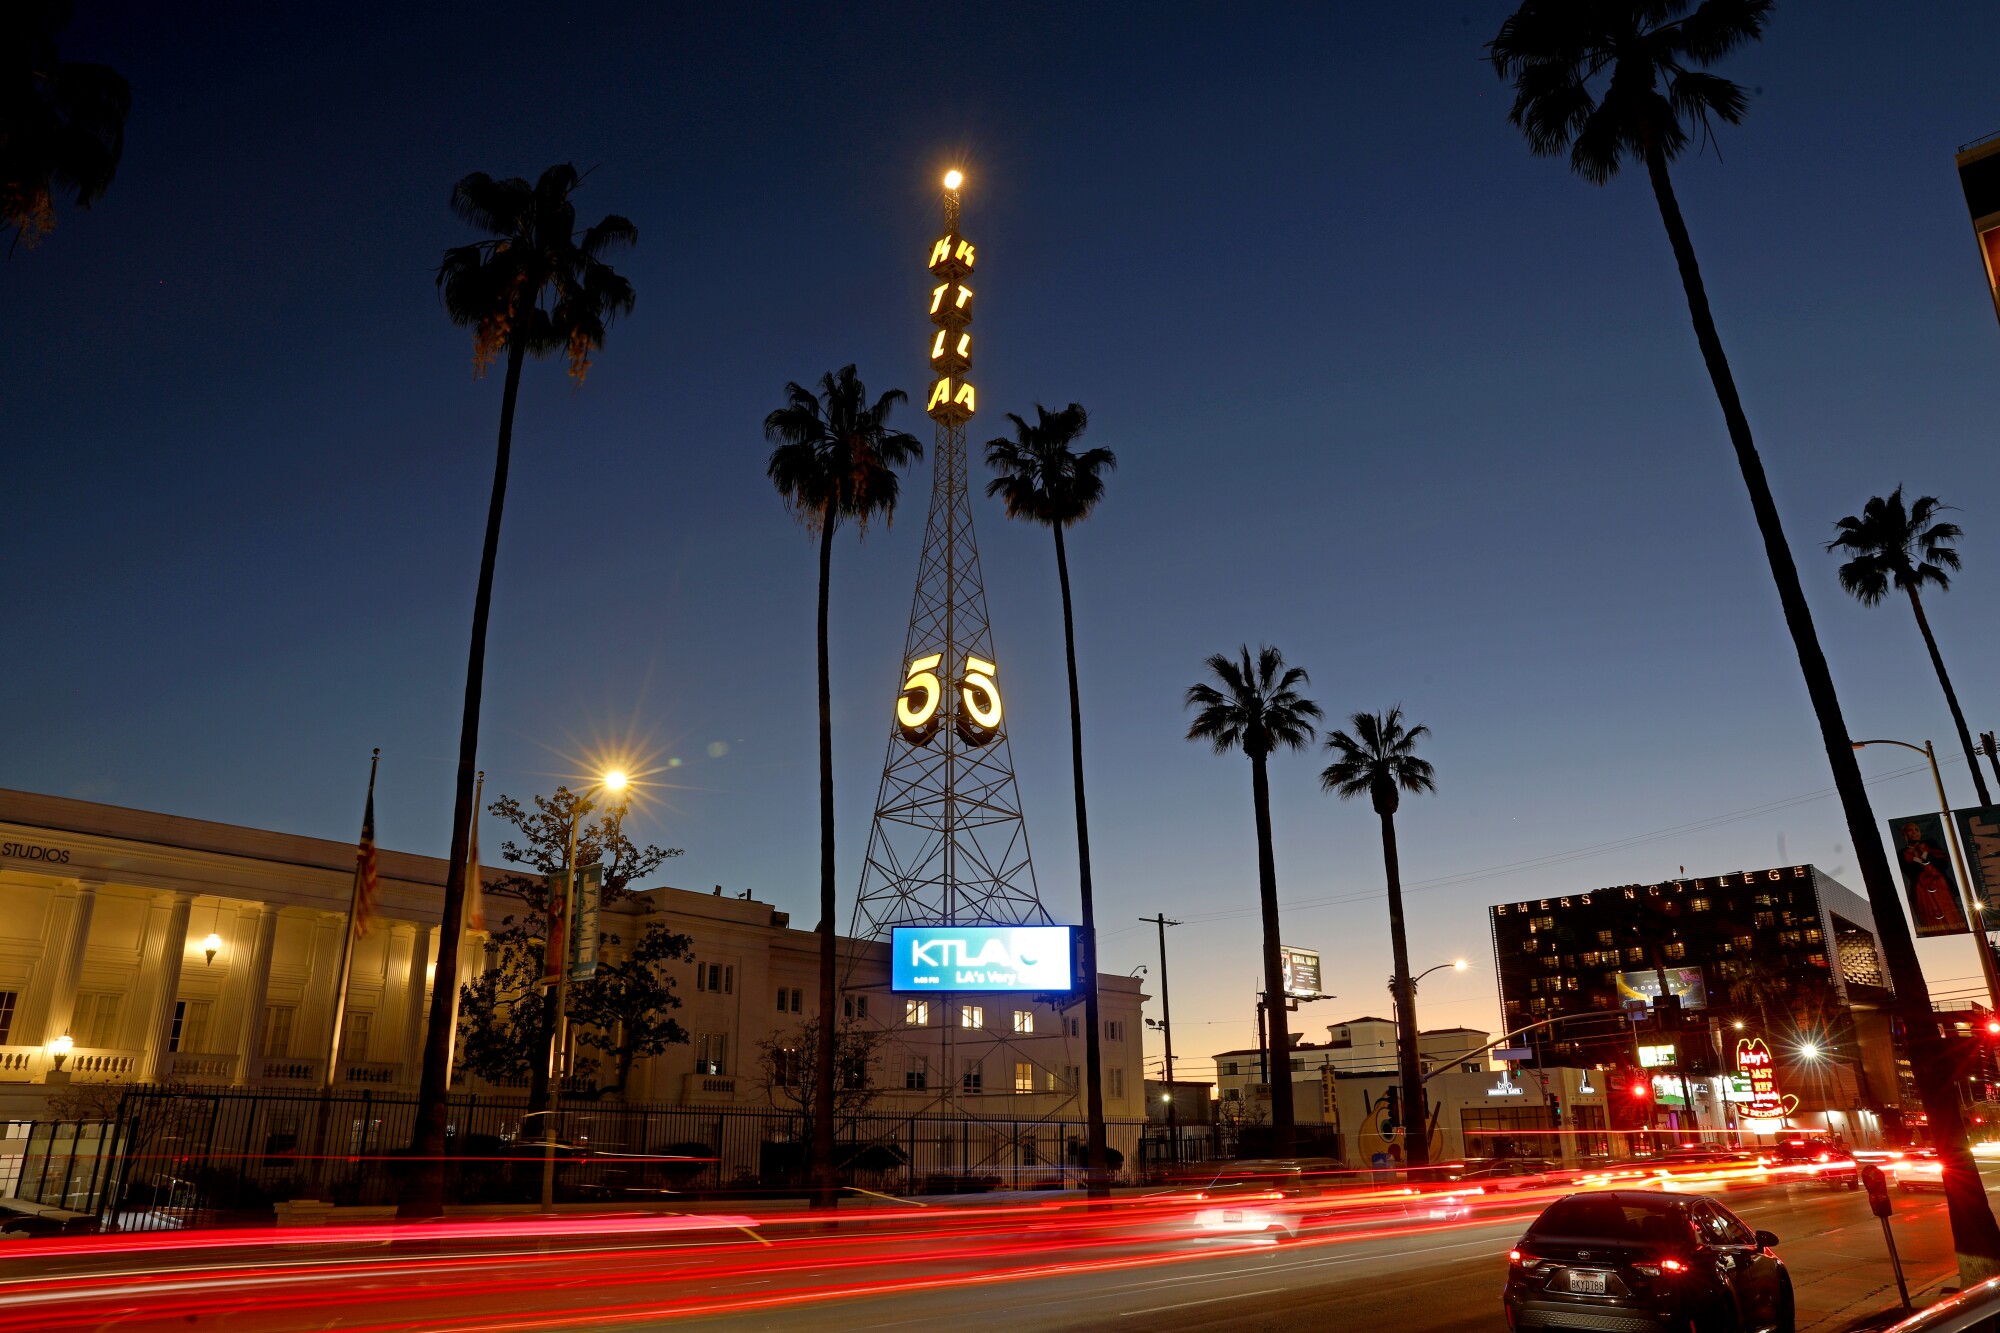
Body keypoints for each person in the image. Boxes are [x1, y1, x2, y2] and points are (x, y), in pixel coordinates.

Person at [1900, 821, 1966, 933]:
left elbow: (1943, 863)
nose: (1914, 832)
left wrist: (1924, 854)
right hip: (1922, 890)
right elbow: (1910, 873)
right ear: (1904, 834)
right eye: (1910, 830)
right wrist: (1916, 858)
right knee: (1930, 917)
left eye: (1916, 829)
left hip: (1941, 885)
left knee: (1951, 915)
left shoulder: (1930, 844)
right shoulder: (1901, 853)